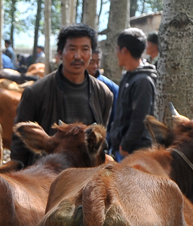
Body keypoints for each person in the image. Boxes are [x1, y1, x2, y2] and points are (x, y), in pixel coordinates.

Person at [10, 23, 114, 165]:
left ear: (91, 54)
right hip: (46, 178)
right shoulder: (36, 92)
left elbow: (100, 143)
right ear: (59, 53)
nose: (78, 56)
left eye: (85, 49)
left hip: (87, 180)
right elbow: (19, 148)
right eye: (72, 49)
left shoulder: (104, 94)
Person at [108, 27, 158, 159]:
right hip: (120, 148)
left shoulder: (143, 81)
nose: (116, 53)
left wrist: (125, 146)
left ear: (124, 50)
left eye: (117, 49)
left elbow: (140, 119)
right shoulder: (127, 76)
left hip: (132, 152)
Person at [88, 48, 118, 135]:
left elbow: (115, 116)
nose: (95, 66)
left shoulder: (109, 86)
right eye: (91, 62)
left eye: (98, 62)